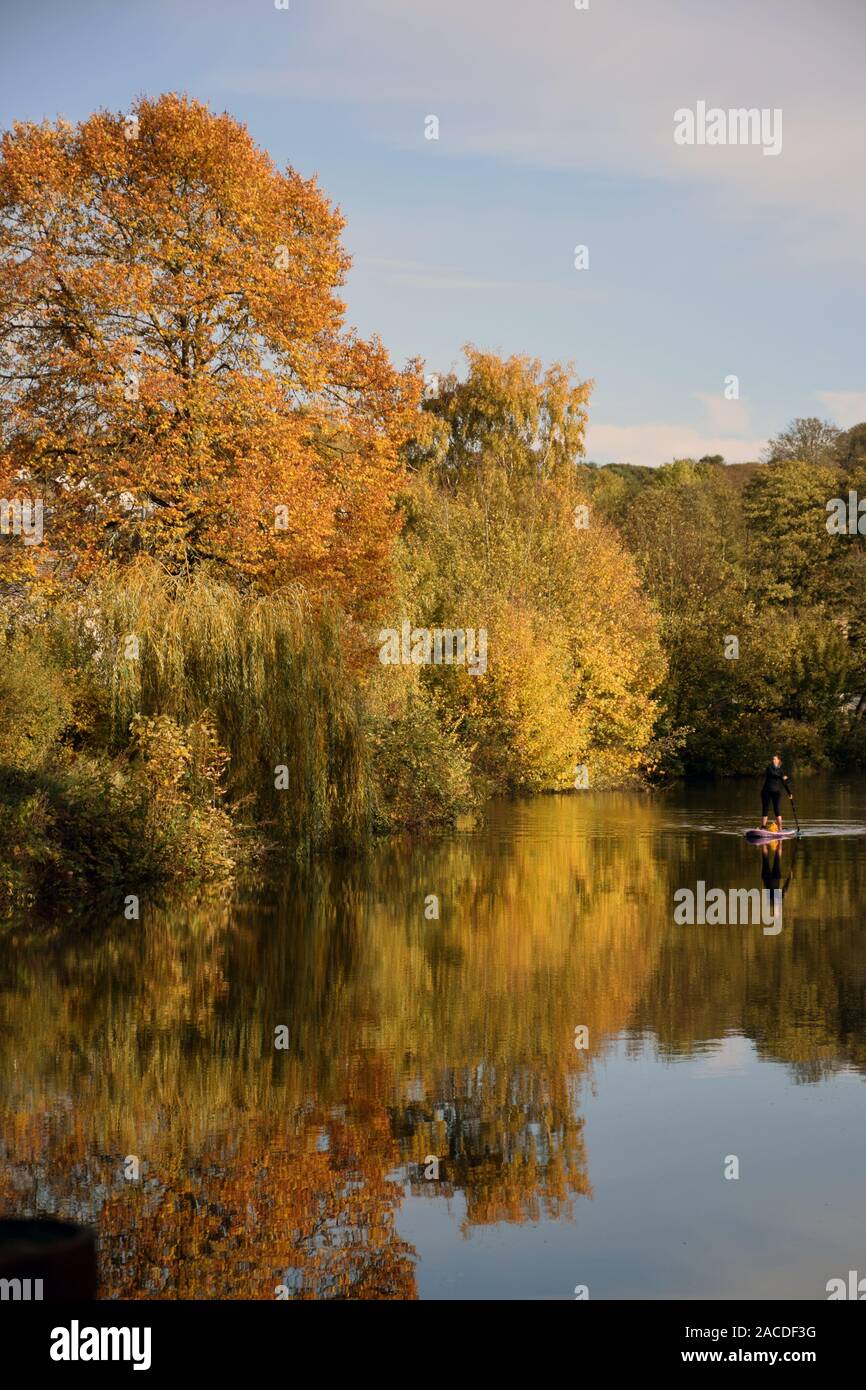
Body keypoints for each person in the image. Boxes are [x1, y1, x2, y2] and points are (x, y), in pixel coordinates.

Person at [761, 753, 792, 830]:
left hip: (776, 792)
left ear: (778, 761)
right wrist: (782, 777)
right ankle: (763, 827)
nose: (773, 760)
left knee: (777, 809)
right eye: (772, 759)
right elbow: (773, 774)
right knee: (765, 808)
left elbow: (784, 783)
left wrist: (789, 793)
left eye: (775, 759)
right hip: (766, 791)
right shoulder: (769, 768)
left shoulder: (781, 771)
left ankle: (780, 828)